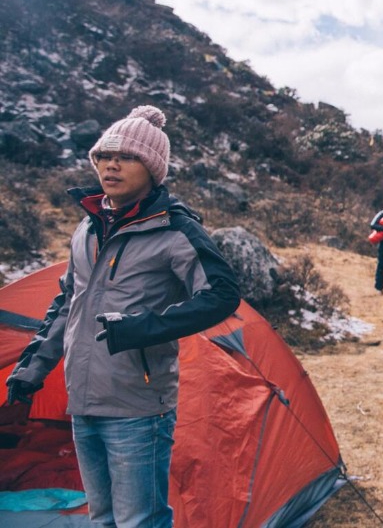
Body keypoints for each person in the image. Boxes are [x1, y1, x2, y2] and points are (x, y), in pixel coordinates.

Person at [5, 105, 241, 528]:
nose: (112, 164)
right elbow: (67, 301)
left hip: (137, 403)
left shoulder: (174, 229)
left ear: (152, 169)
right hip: (83, 400)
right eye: (104, 155)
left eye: (127, 156)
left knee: (140, 521)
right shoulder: (89, 226)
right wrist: (31, 369)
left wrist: (144, 328)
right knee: (104, 519)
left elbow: (222, 294)